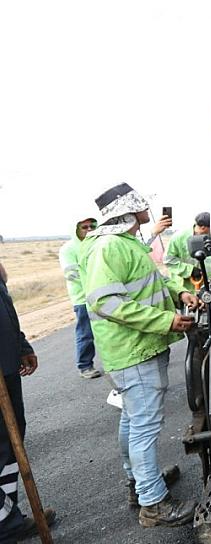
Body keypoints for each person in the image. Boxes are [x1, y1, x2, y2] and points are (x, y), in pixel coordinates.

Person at [80, 182, 200, 528]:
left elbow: (151, 284)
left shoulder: (126, 244)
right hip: (133, 352)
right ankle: (154, 503)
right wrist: (165, 320)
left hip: (136, 348)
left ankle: (140, 483)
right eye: (141, 203)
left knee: (133, 420)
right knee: (144, 426)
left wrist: (179, 293)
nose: (149, 207)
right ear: (128, 210)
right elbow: (106, 302)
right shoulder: (109, 247)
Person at [0, 262, 56, 543]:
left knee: (9, 446)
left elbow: (4, 308)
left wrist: (22, 345)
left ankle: (7, 519)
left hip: (7, 366)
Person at [59, 215, 103, 379]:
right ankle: (85, 366)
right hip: (83, 299)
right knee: (86, 333)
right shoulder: (68, 249)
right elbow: (71, 274)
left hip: (103, 295)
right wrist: (97, 279)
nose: (89, 230)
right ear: (76, 230)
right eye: (84, 227)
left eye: (92, 226)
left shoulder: (98, 244)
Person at [164, 212, 211, 292]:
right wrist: (190, 270)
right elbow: (168, 260)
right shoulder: (178, 238)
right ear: (203, 228)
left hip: (209, 287)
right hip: (186, 289)